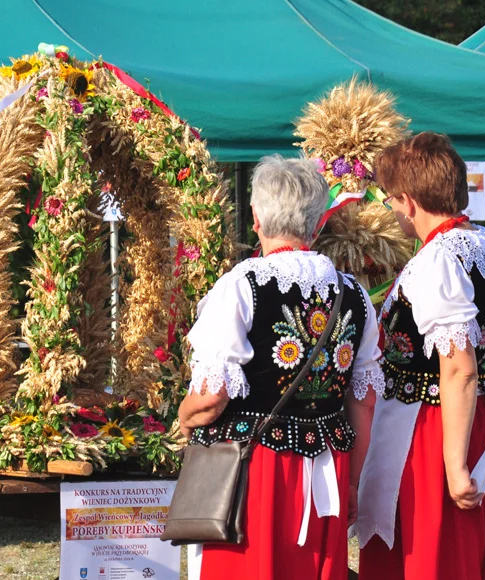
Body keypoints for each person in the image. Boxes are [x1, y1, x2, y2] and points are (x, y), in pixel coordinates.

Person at [178, 155, 384, 580]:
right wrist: (352, 483)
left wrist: (183, 418)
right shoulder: (354, 294)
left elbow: (210, 397)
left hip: (254, 472)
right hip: (328, 468)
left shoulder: (241, 285)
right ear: (316, 222)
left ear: (256, 217)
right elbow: (364, 400)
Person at [355, 132, 485, 580]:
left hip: (435, 429)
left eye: (390, 200)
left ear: (408, 201)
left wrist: (455, 464)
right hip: (478, 416)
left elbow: (460, 369)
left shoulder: (440, 261)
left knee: (433, 560)